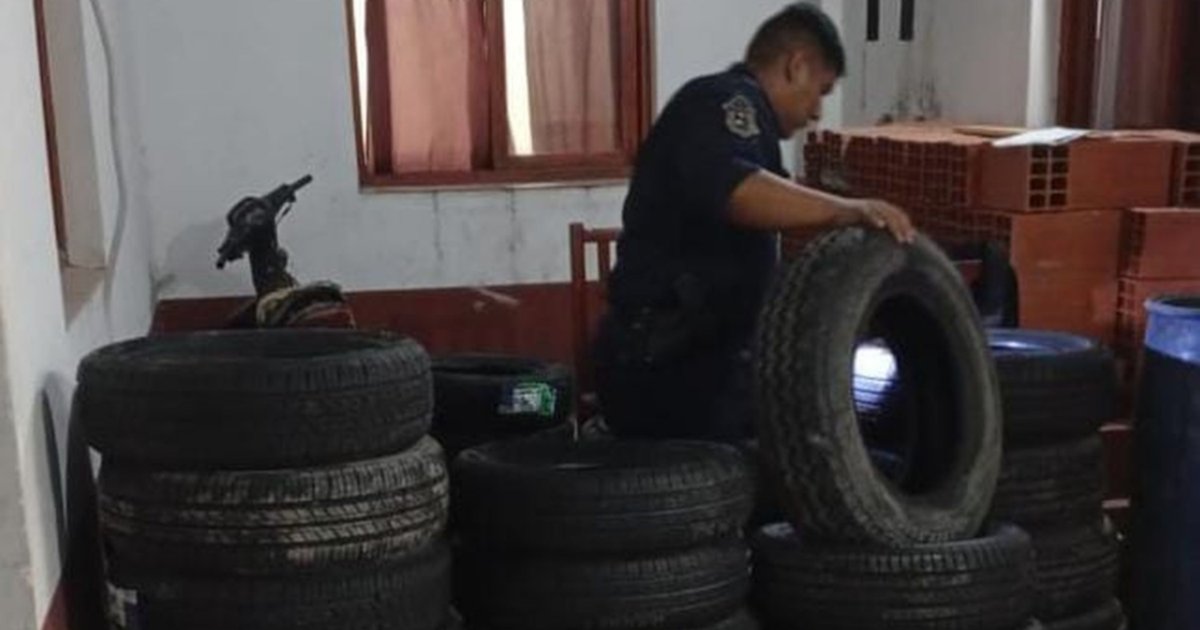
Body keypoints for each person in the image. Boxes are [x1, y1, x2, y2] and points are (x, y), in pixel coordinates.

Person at [593, 2, 915, 442]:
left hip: (708, 361)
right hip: (668, 366)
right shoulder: (721, 102)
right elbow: (735, 191)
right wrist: (846, 209)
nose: (817, 112)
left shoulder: (753, 130)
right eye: (820, 91)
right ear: (796, 66)